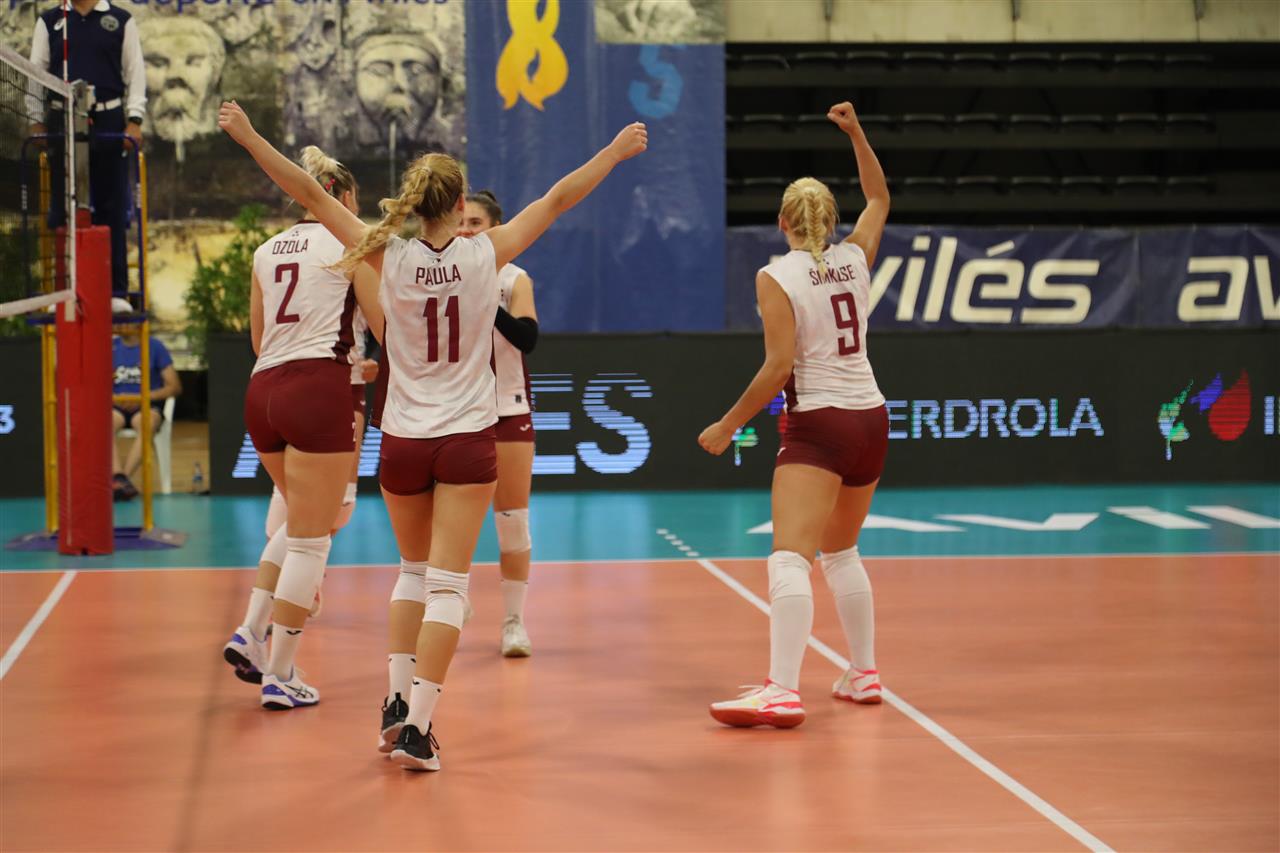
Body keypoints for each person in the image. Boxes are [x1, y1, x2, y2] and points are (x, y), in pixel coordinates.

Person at [219, 99, 646, 771]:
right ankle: (417, 727)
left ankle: (393, 700)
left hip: (403, 439)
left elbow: (308, 192)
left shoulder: (386, 253)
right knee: (449, 586)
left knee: (411, 574)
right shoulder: (487, 252)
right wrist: (615, 153)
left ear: (416, 203)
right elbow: (559, 197)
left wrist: (249, 137)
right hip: (467, 437)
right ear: (459, 204)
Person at [698, 101, 890, 729]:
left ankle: (781, 689)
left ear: (782, 221)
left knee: (789, 558)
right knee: (842, 551)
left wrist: (728, 424)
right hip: (871, 417)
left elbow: (779, 367)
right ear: (831, 222)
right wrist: (856, 133)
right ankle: (863, 672)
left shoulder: (776, 275)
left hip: (821, 425)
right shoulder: (855, 257)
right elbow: (879, 197)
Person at [219, 145, 380, 710]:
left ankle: (251, 629)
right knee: (315, 535)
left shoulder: (265, 250)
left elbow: (258, 339)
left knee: (299, 523)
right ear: (345, 196)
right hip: (320, 389)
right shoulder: (354, 242)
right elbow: (386, 327)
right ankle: (280, 673)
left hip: (263, 391)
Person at [457, 190, 539, 658]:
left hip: (507, 409)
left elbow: (528, 337)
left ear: (496, 229)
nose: (466, 230)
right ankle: (454, 596)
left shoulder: (513, 278)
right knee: (454, 519)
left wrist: (487, 302)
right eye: (461, 222)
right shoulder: (441, 274)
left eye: (476, 223)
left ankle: (513, 623)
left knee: (512, 522)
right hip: (456, 412)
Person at [260, 310, 378, 619]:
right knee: (291, 503)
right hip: (294, 381)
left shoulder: (361, 282)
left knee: (339, 502)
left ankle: (301, 572)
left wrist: (372, 359)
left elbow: (385, 324)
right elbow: (258, 338)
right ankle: (264, 613)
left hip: (345, 383)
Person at [28, 0, 146, 294]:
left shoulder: (121, 20)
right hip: (62, 122)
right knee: (62, 209)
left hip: (108, 122)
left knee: (112, 209)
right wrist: (35, 120)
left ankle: (115, 291)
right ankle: (63, 290)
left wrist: (134, 119)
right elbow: (35, 74)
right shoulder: (50, 21)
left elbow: (135, 72)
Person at [110, 297, 180, 501]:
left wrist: (142, 398)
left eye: (124, 319)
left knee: (146, 423)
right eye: (117, 319)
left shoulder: (155, 347)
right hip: (117, 406)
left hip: (146, 406)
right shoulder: (110, 347)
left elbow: (174, 386)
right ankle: (118, 478)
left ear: (136, 321)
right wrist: (116, 398)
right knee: (103, 423)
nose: (119, 324)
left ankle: (122, 480)